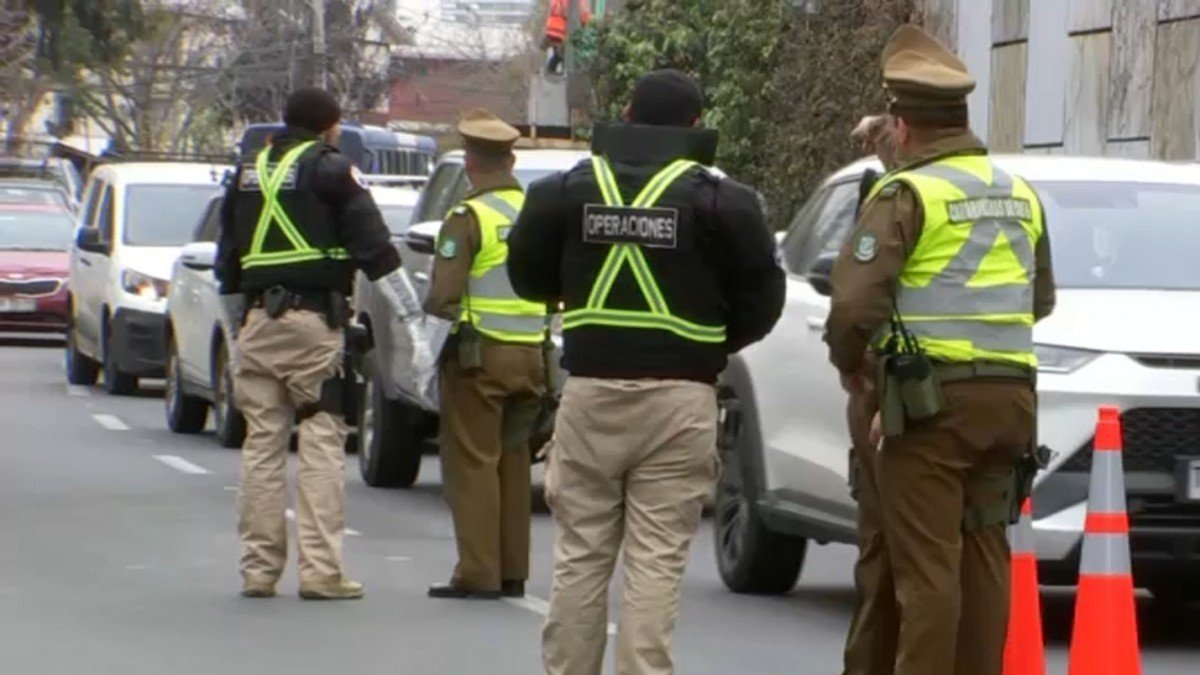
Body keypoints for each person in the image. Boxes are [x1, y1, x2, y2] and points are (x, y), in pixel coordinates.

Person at [508, 69, 785, 675]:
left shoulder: (563, 192)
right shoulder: (725, 201)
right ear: (695, 127)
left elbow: (527, 278)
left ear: (626, 115)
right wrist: (705, 343)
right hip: (681, 400)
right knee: (656, 561)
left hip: (590, 394)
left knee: (581, 555)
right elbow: (763, 303)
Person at [824, 25, 1056, 675]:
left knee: (926, 571)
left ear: (900, 127)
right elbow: (1038, 300)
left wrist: (853, 370)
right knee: (985, 557)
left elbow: (853, 307)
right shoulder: (1019, 192)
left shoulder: (905, 196)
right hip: (1010, 402)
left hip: (930, 411)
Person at [216, 87, 427, 600]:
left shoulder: (247, 173)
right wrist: (415, 323)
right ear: (332, 127)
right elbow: (377, 253)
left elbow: (227, 266)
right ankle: (321, 572)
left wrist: (238, 334)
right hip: (313, 327)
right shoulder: (333, 170)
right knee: (321, 442)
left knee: (262, 446)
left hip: (258, 324)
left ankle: (258, 571)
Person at [425, 109, 547, 601]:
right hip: (534, 356)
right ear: (511, 160)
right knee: (514, 461)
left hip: (480, 359)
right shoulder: (536, 214)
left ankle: (478, 572)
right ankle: (513, 569)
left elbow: (441, 297)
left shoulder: (468, 217)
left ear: (471, 165)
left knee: (473, 462)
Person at [840, 113, 900, 675]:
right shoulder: (1000, 192)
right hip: (995, 396)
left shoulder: (893, 198)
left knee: (886, 553)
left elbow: (855, 306)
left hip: (898, 395)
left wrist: (855, 372)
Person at [543, 0, 591, 75]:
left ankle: (551, 73)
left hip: (552, 28)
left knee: (558, 54)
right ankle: (560, 75)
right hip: (561, 30)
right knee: (563, 54)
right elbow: (582, 13)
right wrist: (586, 23)